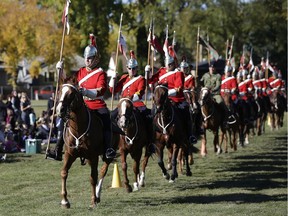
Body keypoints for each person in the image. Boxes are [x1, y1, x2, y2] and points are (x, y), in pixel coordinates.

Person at [47, 34, 116, 161]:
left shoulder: (101, 73)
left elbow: (101, 90)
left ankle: (108, 149)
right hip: (81, 105)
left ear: (95, 59)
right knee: (64, 119)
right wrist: (60, 70)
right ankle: (57, 149)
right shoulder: (80, 72)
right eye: (86, 58)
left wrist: (86, 91)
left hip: (96, 105)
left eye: (90, 58)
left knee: (107, 120)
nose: (87, 60)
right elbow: (68, 82)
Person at [147, 54, 197, 145]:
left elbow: (179, 88)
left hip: (177, 99)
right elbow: (151, 80)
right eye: (167, 65)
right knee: (152, 113)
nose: (169, 66)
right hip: (162, 100)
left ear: (173, 64)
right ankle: (151, 137)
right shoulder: (161, 71)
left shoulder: (178, 73)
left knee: (186, 113)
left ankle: (190, 135)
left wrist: (166, 94)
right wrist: (147, 72)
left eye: (170, 64)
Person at [109, 50, 152, 128]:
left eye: (134, 68)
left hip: (136, 104)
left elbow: (140, 93)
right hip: (123, 105)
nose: (132, 70)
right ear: (127, 68)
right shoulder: (124, 77)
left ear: (137, 68)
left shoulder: (141, 79)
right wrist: (113, 78)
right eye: (130, 68)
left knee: (148, 118)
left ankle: (150, 138)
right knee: (111, 116)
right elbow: (113, 90)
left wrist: (128, 100)